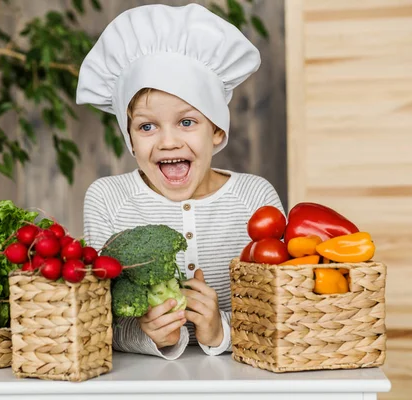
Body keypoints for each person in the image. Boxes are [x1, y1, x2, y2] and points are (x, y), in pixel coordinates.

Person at [76, 3, 284, 360]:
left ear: (217, 130)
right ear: (129, 138)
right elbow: (97, 318)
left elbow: (280, 308)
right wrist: (151, 336)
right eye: (147, 126)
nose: (168, 141)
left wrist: (222, 330)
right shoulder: (107, 199)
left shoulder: (254, 197)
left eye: (187, 122)